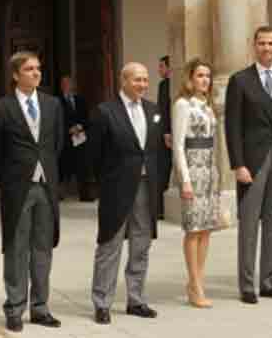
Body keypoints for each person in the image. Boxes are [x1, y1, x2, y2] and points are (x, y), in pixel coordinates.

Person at [0, 52, 65, 332]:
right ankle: (14, 307)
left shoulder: (52, 104)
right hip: (17, 188)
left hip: (46, 187)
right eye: (29, 69)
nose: (36, 73)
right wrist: (13, 174)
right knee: (17, 249)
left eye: (38, 68)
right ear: (16, 75)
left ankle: (40, 307)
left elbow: (57, 144)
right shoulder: (1, 108)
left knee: (42, 249)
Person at [225, 25, 272, 305]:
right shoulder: (240, 80)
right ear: (253, 46)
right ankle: (247, 285)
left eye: (271, 43)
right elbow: (232, 126)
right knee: (249, 224)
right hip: (252, 161)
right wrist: (238, 164)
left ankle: (270, 281)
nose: (266, 48)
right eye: (261, 43)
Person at [89, 63, 162, 323]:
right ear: (123, 81)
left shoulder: (153, 110)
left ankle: (136, 299)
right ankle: (102, 302)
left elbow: (156, 152)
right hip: (116, 189)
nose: (142, 85)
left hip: (146, 187)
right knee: (110, 245)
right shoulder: (105, 112)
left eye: (145, 80)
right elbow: (94, 155)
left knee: (141, 244)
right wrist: (106, 183)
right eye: (137, 80)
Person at [172, 58, 227, 308]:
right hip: (192, 170)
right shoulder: (183, 105)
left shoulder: (208, 106)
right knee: (193, 229)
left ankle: (198, 280)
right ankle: (194, 284)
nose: (204, 80)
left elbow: (215, 143)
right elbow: (179, 145)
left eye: (207, 76)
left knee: (206, 229)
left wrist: (217, 174)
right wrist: (184, 180)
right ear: (190, 78)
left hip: (209, 169)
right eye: (200, 75)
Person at [59, 75, 91, 201]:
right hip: (65, 138)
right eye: (65, 84)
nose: (67, 86)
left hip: (80, 136)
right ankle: (61, 192)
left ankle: (85, 194)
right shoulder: (57, 101)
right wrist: (68, 129)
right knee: (64, 165)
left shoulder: (80, 100)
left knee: (82, 165)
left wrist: (80, 126)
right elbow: (57, 119)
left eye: (69, 83)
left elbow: (86, 117)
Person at [157, 55, 173, 219]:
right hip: (167, 131)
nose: (159, 70)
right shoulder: (163, 85)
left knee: (164, 169)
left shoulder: (167, 85)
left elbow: (164, 110)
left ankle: (160, 208)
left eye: (162, 66)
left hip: (168, 133)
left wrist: (166, 131)